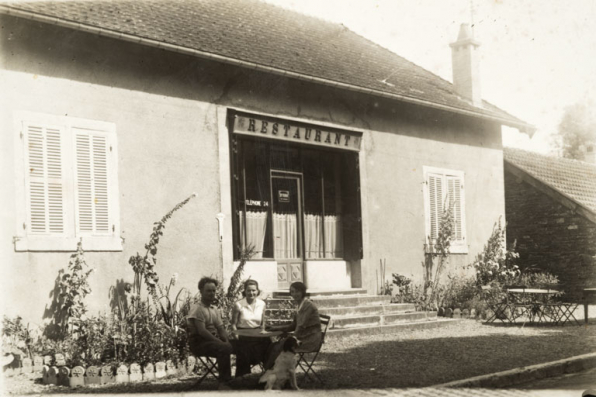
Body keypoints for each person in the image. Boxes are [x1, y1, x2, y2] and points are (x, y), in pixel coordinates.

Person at [187, 277, 233, 390]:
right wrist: (222, 343)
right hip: (198, 342)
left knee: (239, 344)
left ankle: (241, 378)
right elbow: (202, 331)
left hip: (212, 341)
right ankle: (224, 383)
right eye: (208, 290)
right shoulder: (197, 308)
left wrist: (227, 341)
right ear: (201, 291)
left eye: (213, 290)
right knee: (223, 348)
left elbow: (221, 329)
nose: (211, 293)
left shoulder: (214, 309)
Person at [264, 281, 322, 370]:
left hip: (310, 339)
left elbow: (301, 326)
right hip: (302, 336)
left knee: (279, 346)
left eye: (297, 291)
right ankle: (272, 371)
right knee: (273, 345)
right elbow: (293, 325)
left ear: (303, 292)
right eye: (292, 291)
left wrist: (291, 337)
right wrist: (274, 328)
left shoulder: (308, 305)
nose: (295, 294)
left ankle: (271, 371)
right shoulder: (298, 305)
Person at [229, 279, 270, 377]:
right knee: (244, 351)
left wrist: (263, 330)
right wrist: (237, 337)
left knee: (270, 347)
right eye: (249, 290)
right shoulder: (238, 305)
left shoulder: (262, 304)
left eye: (254, 290)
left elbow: (263, 321)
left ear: (257, 291)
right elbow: (233, 324)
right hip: (243, 335)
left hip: (257, 334)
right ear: (245, 291)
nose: (251, 293)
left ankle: (269, 376)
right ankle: (243, 379)